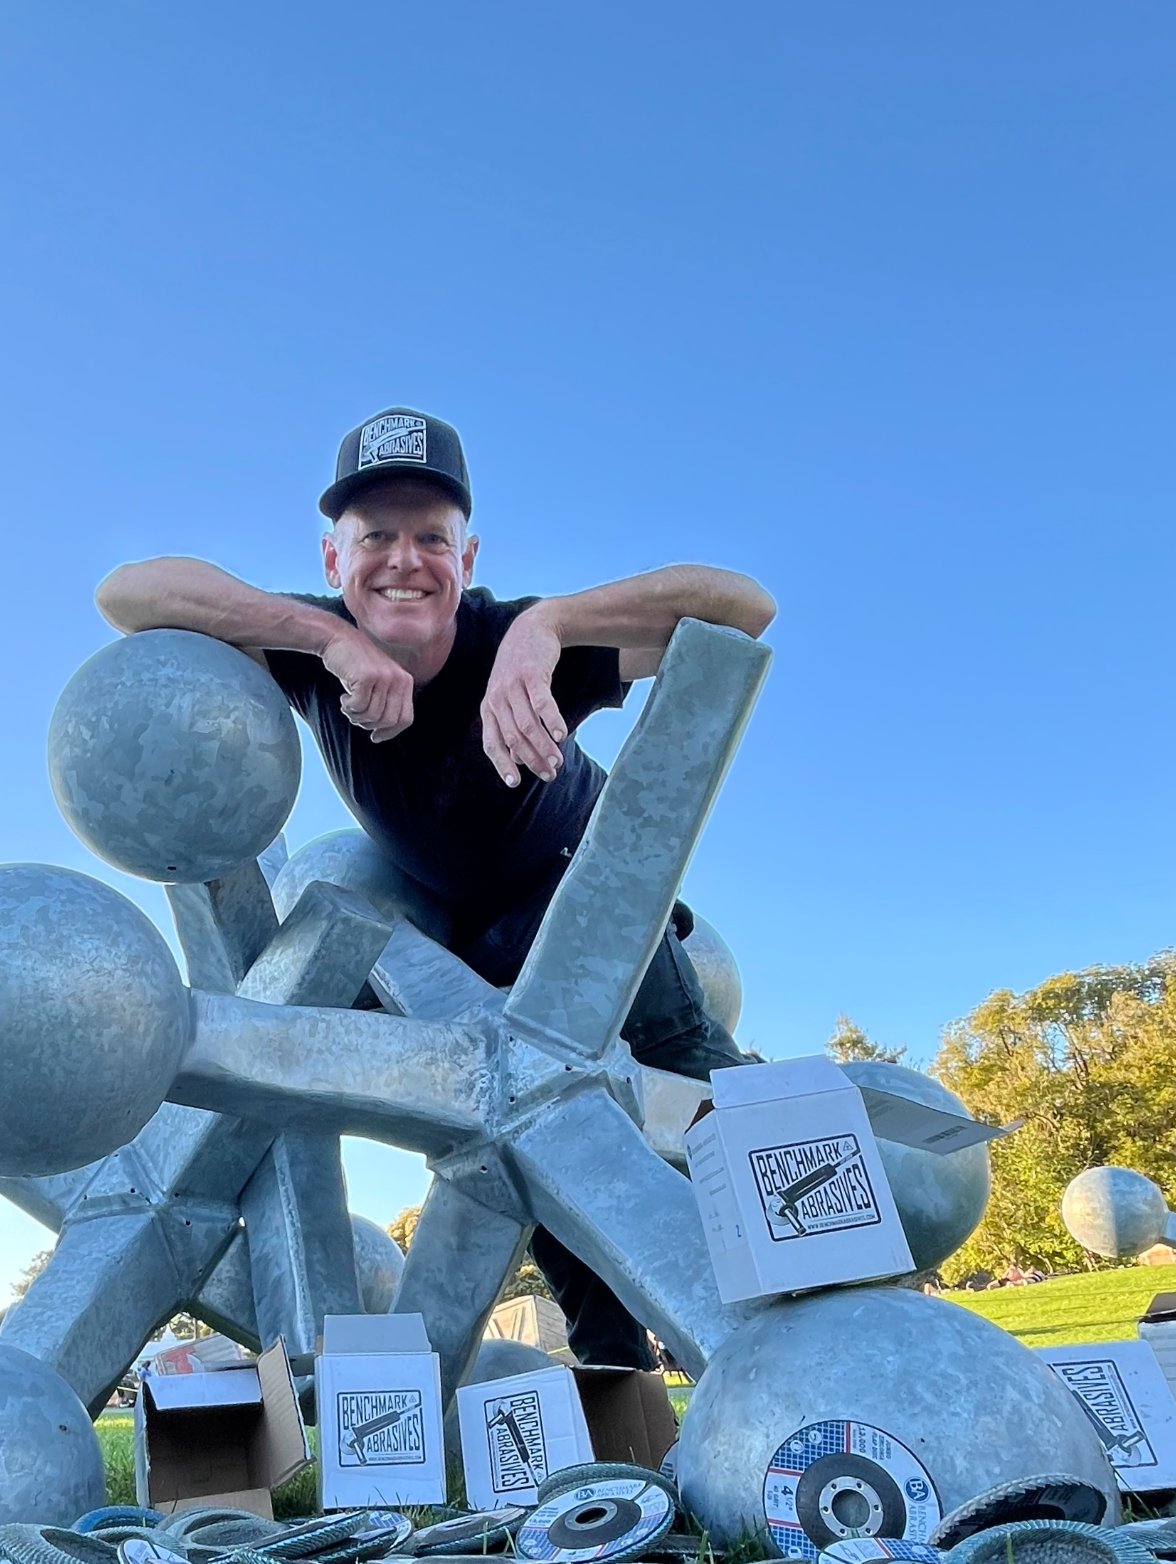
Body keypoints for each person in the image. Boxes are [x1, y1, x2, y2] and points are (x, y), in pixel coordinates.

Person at [97, 407, 776, 1369]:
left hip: (587, 911)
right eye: (376, 537)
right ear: (335, 561)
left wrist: (553, 623)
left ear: (468, 554)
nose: (403, 561)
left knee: (693, 1086)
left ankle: (834, 1300)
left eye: (431, 537)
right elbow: (128, 594)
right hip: (465, 937)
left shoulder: (521, 638)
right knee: (526, 1135)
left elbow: (745, 606)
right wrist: (324, 642)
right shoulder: (316, 642)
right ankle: (617, 1374)